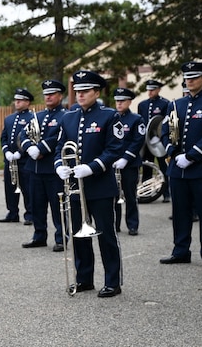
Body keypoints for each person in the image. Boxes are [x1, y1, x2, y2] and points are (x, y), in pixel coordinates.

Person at [54, 70, 125, 298]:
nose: (80, 95)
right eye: (77, 91)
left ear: (96, 92)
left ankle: (113, 282)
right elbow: (59, 148)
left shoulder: (110, 116)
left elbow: (115, 149)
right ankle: (84, 279)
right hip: (75, 187)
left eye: (85, 91)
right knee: (78, 235)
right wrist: (59, 166)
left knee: (106, 236)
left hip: (101, 186)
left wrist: (92, 167)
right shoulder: (68, 117)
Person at [159, 61, 202, 270]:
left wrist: (192, 156)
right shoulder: (176, 104)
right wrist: (172, 151)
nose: (190, 81)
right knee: (180, 211)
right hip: (178, 168)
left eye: (194, 77)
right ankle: (180, 251)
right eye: (187, 78)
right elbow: (168, 132)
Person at [19, 79, 67, 251]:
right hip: (34, 169)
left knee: (57, 205)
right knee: (36, 204)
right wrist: (29, 148)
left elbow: (59, 137)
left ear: (60, 96)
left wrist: (40, 149)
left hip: (52, 169)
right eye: (46, 94)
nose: (48, 97)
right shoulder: (37, 116)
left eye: (52, 94)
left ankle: (62, 238)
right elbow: (23, 135)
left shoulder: (66, 116)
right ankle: (39, 236)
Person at [112, 88, 146, 235]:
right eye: (117, 101)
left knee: (130, 195)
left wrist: (125, 158)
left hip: (129, 164)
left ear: (129, 102)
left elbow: (138, 141)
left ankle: (132, 225)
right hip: (112, 164)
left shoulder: (136, 119)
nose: (119, 103)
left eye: (122, 101)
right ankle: (115, 224)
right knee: (113, 195)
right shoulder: (110, 118)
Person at [0, 88, 34, 224]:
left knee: (27, 187)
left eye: (21, 100)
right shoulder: (9, 119)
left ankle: (30, 214)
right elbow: (4, 137)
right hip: (9, 160)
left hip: (24, 160)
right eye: (16, 100)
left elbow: (32, 137)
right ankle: (12, 212)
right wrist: (6, 151)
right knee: (10, 186)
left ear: (28, 102)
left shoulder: (31, 118)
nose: (17, 102)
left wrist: (20, 153)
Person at [137, 79, 171, 202]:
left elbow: (164, 122)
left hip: (158, 141)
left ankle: (166, 193)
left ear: (158, 89)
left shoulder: (165, 103)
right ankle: (146, 193)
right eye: (148, 90)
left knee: (163, 167)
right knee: (147, 166)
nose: (150, 92)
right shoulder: (142, 105)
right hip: (146, 141)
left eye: (152, 90)